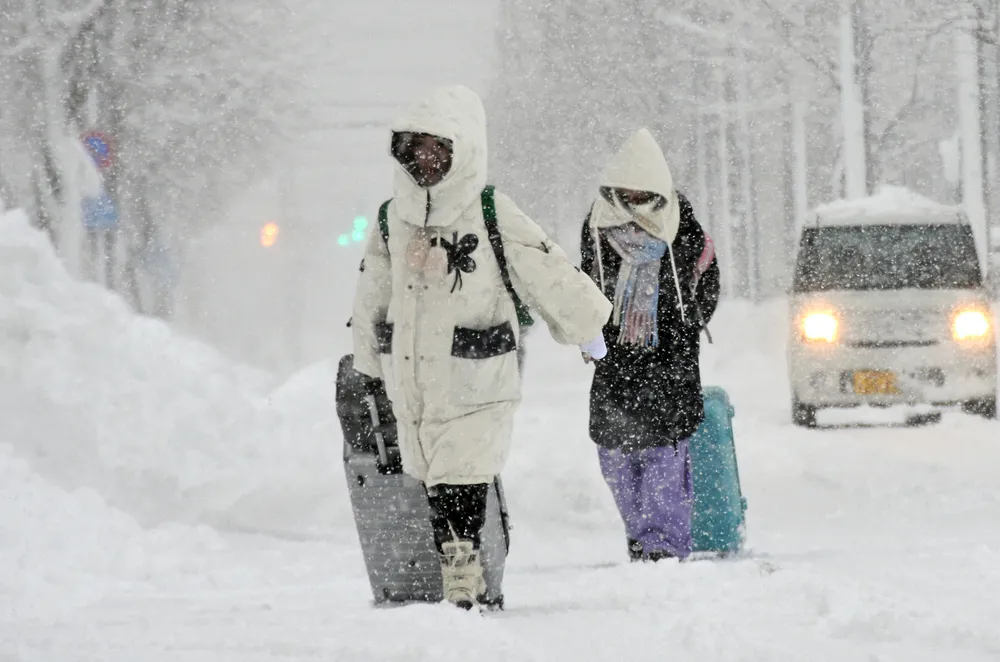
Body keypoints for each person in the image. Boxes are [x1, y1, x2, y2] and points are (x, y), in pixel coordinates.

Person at [351, 85, 612, 609]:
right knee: (432, 472)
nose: (426, 159)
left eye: (439, 148)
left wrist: (587, 328)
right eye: (416, 148)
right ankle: (458, 560)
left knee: (463, 471)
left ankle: (462, 569)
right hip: (413, 374)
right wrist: (369, 363)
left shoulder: (490, 210)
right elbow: (372, 294)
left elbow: (545, 269)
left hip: (476, 373)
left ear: (463, 149)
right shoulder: (390, 220)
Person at [580, 128, 721, 562]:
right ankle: (641, 534)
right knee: (616, 456)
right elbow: (583, 283)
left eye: (643, 190)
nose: (634, 198)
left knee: (665, 453)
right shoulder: (597, 224)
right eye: (627, 189)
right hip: (616, 358)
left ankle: (663, 544)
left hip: (670, 357)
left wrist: (685, 323)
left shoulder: (682, 225)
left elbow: (707, 279)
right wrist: (589, 330)